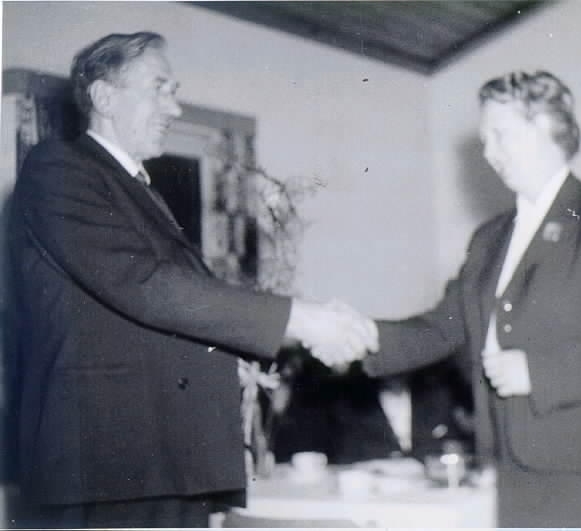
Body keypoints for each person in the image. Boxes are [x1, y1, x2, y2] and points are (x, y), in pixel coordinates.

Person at [6, 31, 377, 528]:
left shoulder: (138, 190)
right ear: (104, 96)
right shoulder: (58, 169)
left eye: (175, 91)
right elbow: (146, 284)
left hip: (157, 461)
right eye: (160, 88)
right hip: (107, 463)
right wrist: (299, 319)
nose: (175, 108)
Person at [361, 70, 581, 527]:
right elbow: (443, 327)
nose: (489, 153)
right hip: (516, 474)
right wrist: (361, 335)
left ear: (546, 126)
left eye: (500, 135)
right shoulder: (489, 239)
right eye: (484, 140)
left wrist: (537, 371)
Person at [271, 354, 473, 465]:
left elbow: (453, 446)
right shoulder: (353, 404)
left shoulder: (435, 397)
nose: (395, 370)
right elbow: (344, 455)